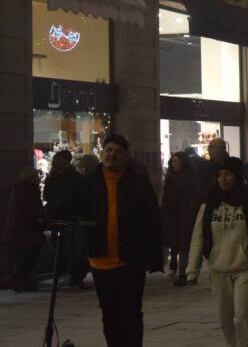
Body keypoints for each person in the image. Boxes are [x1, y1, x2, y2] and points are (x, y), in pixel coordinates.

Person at [57, 134, 162, 346]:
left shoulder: (138, 183)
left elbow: (152, 219)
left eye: (117, 152)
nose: (112, 155)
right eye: (108, 151)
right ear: (102, 153)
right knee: (110, 313)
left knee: (131, 312)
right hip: (100, 259)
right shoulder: (89, 182)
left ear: (125, 156)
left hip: (130, 259)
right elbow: (70, 205)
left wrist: (154, 255)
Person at [186, 157, 248, 347]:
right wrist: (192, 268)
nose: (223, 179)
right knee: (226, 321)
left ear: (237, 176)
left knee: (243, 315)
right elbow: (198, 237)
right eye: (220, 175)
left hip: (246, 268)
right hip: (218, 271)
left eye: (228, 174)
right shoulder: (209, 206)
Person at [43, 149, 87, 288]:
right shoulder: (53, 176)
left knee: (72, 247)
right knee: (60, 247)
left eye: (59, 160)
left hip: (69, 217)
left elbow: (75, 198)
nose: (56, 163)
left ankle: (74, 275)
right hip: (56, 217)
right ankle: (62, 272)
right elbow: (47, 195)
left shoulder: (74, 177)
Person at [162, 151, 201, 286]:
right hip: (172, 214)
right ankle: (174, 267)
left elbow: (194, 196)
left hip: (185, 214)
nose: (173, 164)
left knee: (184, 243)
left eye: (176, 162)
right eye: (172, 162)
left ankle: (183, 273)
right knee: (175, 242)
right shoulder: (170, 177)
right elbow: (166, 196)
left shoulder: (190, 178)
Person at [3, 167, 44, 292]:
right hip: (28, 228)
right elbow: (32, 209)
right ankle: (21, 281)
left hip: (16, 227)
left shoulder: (18, 187)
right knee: (30, 256)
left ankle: (19, 280)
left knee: (21, 256)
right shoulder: (30, 189)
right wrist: (41, 219)